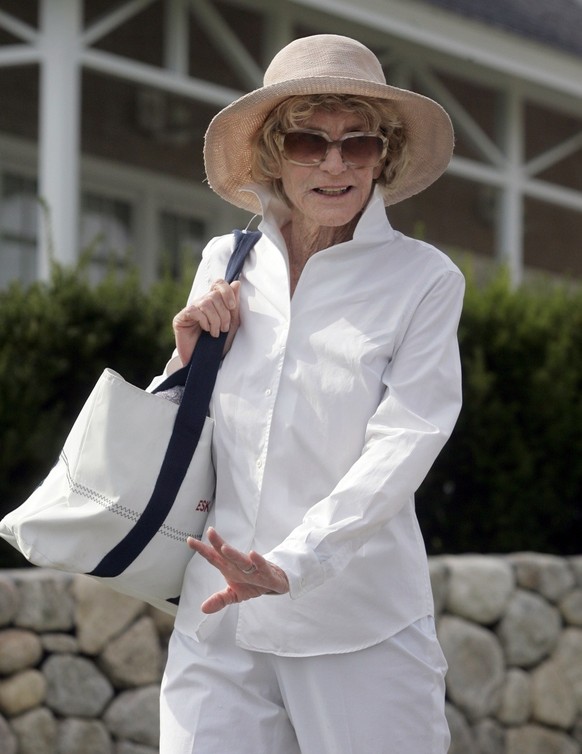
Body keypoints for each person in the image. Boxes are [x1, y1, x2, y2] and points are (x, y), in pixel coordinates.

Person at [153, 34, 464, 754]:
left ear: (382, 157)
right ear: (273, 153)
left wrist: (292, 565)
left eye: (357, 144)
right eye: (308, 141)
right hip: (219, 623)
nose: (334, 163)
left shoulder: (424, 279)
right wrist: (182, 364)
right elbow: (177, 439)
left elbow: (406, 440)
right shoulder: (224, 263)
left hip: (360, 628)